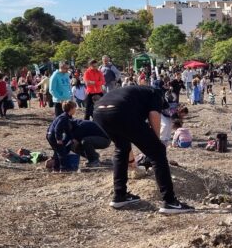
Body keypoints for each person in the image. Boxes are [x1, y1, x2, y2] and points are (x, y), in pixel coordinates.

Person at [93, 85, 194, 214]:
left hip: (99, 113)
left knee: (121, 149)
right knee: (158, 153)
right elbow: (154, 114)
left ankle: (120, 196)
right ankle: (170, 202)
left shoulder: (134, 93)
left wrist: (131, 160)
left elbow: (126, 141)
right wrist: (155, 142)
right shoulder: (156, 92)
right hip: (120, 111)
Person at [46, 101, 101, 170]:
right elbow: (57, 128)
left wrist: (72, 138)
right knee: (61, 153)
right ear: (71, 109)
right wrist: (58, 139)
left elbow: (67, 130)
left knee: (59, 151)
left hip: (51, 135)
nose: (76, 109)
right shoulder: (63, 117)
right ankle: (64, 168)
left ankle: (56, 167)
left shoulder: (68, 117)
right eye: (75, 108)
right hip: (52, 136)